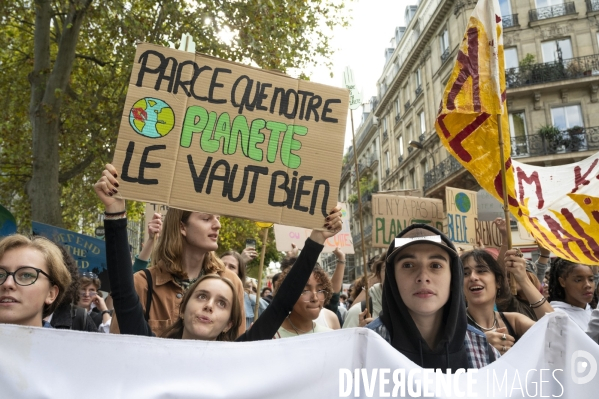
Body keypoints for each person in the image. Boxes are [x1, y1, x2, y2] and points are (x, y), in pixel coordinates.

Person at [99, 180, 343, 341]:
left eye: (223, 304)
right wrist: (115, 211)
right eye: (202, 296)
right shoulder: (148, 343)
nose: (209, 306)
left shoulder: (235, 355)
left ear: (230, 324)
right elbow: (122, 293)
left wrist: (317, 238)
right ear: (182, 308)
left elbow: (281, 304)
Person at [96, 165, 246, 338]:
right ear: (182, 226)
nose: (217, 225)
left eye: (221, 303)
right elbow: (122, 347)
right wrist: (115, 211)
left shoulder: (231, 282)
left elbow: (238, 349)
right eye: (206, 218)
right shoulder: (143, 284)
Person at [366, 224, 499, 371]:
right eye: (408, 265)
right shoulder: (365, 348)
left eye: (435, 265)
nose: (423, 277)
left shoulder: (483, 350)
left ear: (453, 276)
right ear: (393, 278)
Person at [462, 249, 538, 355]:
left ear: (498, 281)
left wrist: (523, 279)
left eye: (481, 271)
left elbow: (557, 334)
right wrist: (479, 343)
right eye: (465, 273)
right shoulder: (454, 326)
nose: (473, 277)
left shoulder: (514, 321)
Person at [0, 235, 71, 328]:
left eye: (26, 275)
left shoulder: (71, 342)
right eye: (0, 275)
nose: (7, 283)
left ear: (51, 294)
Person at [47, 246, 99, 332]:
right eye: (83, 289)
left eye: (91, 290)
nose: (86, 294)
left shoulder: (82, 318)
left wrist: (105, 311)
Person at [273, 264, 334, 338]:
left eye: (320, 290)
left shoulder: (330, 335)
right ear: (288, 294)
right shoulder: (269, 336)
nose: (315, 298)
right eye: (305, 290)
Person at [548, 257, 596, 331]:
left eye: (591, 279)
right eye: (578, 280)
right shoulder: (557, 315)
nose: (588, 285)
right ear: (562, 282)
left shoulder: (594, 309)